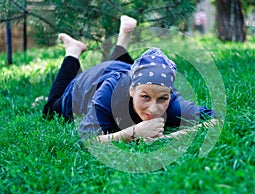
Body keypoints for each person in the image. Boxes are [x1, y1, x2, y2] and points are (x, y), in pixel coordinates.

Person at [43, 15, 215, 143]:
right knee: (50, 109)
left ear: (171, 93)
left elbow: (215, 120)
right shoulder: (107, 94)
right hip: (89, 82)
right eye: (145, 97)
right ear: (131, 90)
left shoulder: (174, 105)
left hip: (123, 69)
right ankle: (73, 50)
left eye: (163, 98)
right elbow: (86, 141)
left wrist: (164, 138)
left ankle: (124, 37)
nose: (154, 109)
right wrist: (133, 132)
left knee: (122, 69)